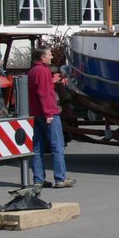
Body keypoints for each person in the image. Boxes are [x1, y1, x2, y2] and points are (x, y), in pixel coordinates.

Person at [27, 46, 74, 188]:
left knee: (37, 147)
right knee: (57, 146)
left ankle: (38, 179)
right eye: (49, 55)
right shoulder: (43, 71)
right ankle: (60, 178)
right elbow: (45, 93)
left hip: (36, 113)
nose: (51, 57)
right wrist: (49, 112)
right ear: (42, 57)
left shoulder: (32, 71)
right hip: (48, 113)